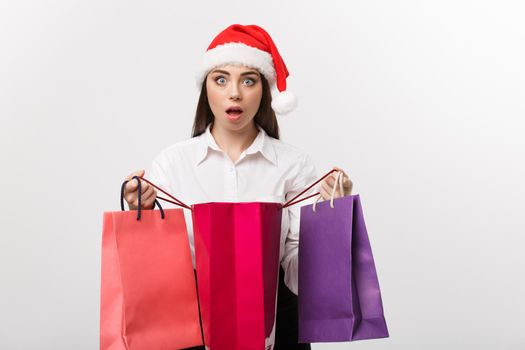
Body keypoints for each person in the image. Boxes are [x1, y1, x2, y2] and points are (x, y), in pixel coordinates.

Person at [122, 24, 353, 350]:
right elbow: (160, 275)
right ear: (207, 89)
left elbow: (302, 276)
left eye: (248, 80)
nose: (235, 93)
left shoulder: (293, 165)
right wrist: (142, 216)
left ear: (264, 90)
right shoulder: (173, 164)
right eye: (221, 79)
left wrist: (332, 217)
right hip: (191, 336)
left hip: (276, 335)